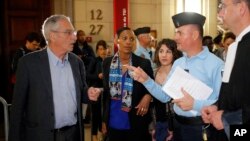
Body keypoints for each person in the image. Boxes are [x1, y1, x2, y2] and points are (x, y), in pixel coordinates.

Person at [126, 12, 224, 141]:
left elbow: (223, 102)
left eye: (180, 33)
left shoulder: (216, 64)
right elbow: (165, 96)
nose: (175, 37)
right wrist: (146, 80)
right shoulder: (179, 63)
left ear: (194, 35)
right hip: (178, 127)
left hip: (201, 128)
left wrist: (195, 104)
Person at [8, 14, 101, 141]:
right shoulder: (28, 63)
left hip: (73, 134)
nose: (74, 37)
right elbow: (17, 107)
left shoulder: (76, 62)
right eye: (68, 32)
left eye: (73, 32)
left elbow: (82, 91)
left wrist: (89, 93)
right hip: (41, 135)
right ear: (52, 35)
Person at [201, 0, 250, 140]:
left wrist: (226, 118)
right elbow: (237, 94)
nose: (219, 13)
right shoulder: (236, 46)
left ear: (241, 8)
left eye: (222, 6)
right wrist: (219, 108)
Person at [101, 27, 154, 141]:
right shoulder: (107, 63)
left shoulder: (143, 63)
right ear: (116, 40)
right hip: (113, 121)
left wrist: (147, 97)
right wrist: (104, 120)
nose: (128, 42)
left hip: (136, 121)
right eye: (124, 38)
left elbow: (152, 86)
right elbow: (106, 94)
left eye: (131, 39)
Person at [152, 39, 182, 141]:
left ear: (174, 54)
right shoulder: (153, 73)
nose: (164, 55)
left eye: (168, 51)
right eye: (161, 51)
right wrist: (153, 126)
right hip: (158, 122)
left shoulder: (178, 74)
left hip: (175, 123)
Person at [87, 40, 108, 141]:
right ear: (97, 51)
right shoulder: (94, 60)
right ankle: (94, 134)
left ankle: (102, 133)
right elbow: (88, 75)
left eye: (104, 49)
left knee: (104, 114)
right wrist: (98, 76)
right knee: (95, 114)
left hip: (105, 91)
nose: (103, 51)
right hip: (95, 91)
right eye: (100, 49)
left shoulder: (108, 61)